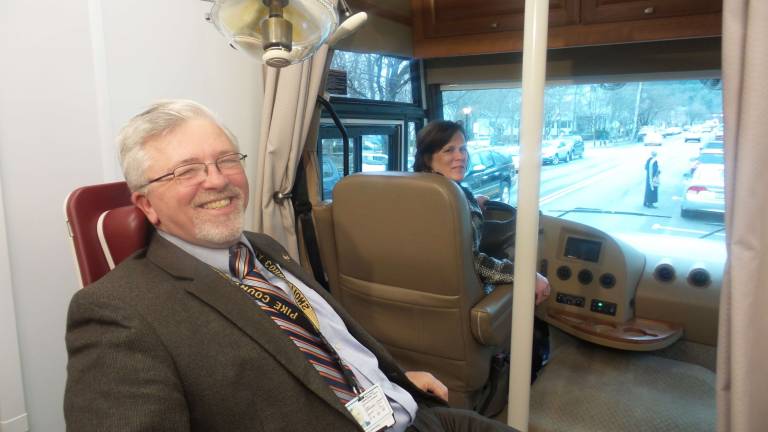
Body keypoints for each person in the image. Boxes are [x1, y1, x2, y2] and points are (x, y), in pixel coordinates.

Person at [64, 100, 519, 432]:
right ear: (146, 204)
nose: (217, 180)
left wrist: (387, 378)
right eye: (186, 171)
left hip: (415, 413)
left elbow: (317, 344)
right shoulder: (116, 312)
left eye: (226, 160)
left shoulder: (262, 248)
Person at [413, 121, 551, 304]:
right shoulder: (446, 202)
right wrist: (527, 277)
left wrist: (471, 203)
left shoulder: (417, 192)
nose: (460, 156)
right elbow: (472, 263)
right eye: (449, 150)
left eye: (463, 149)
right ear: (428, 158)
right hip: (459, 300)